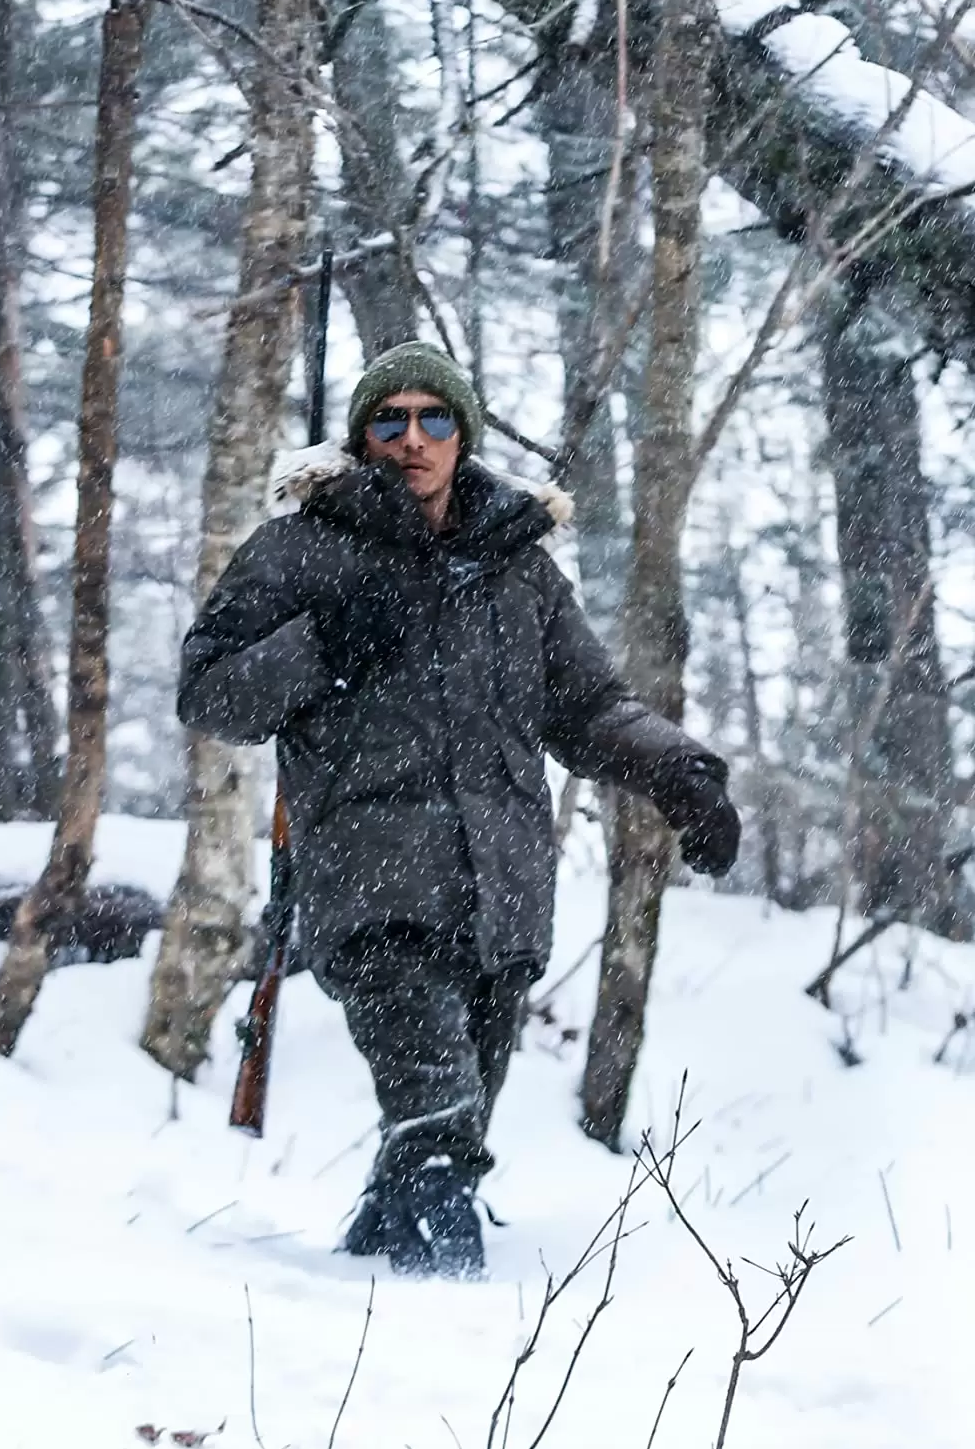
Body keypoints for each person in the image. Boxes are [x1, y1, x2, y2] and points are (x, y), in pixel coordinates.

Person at [178, 342, 741, 1279]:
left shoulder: (515, 567)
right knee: (438, 1123)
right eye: (387, 420)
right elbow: (209, 695)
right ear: (362, 437)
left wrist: (685, 775)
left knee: (446, 1126)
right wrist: (322, 642)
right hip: (374, 889)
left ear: (462, 433)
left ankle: (367, 1274)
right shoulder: (303, 548)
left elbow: (591, 708)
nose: (411, 439)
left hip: (501, 901)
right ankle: (461, 1323)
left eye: (432, 417)